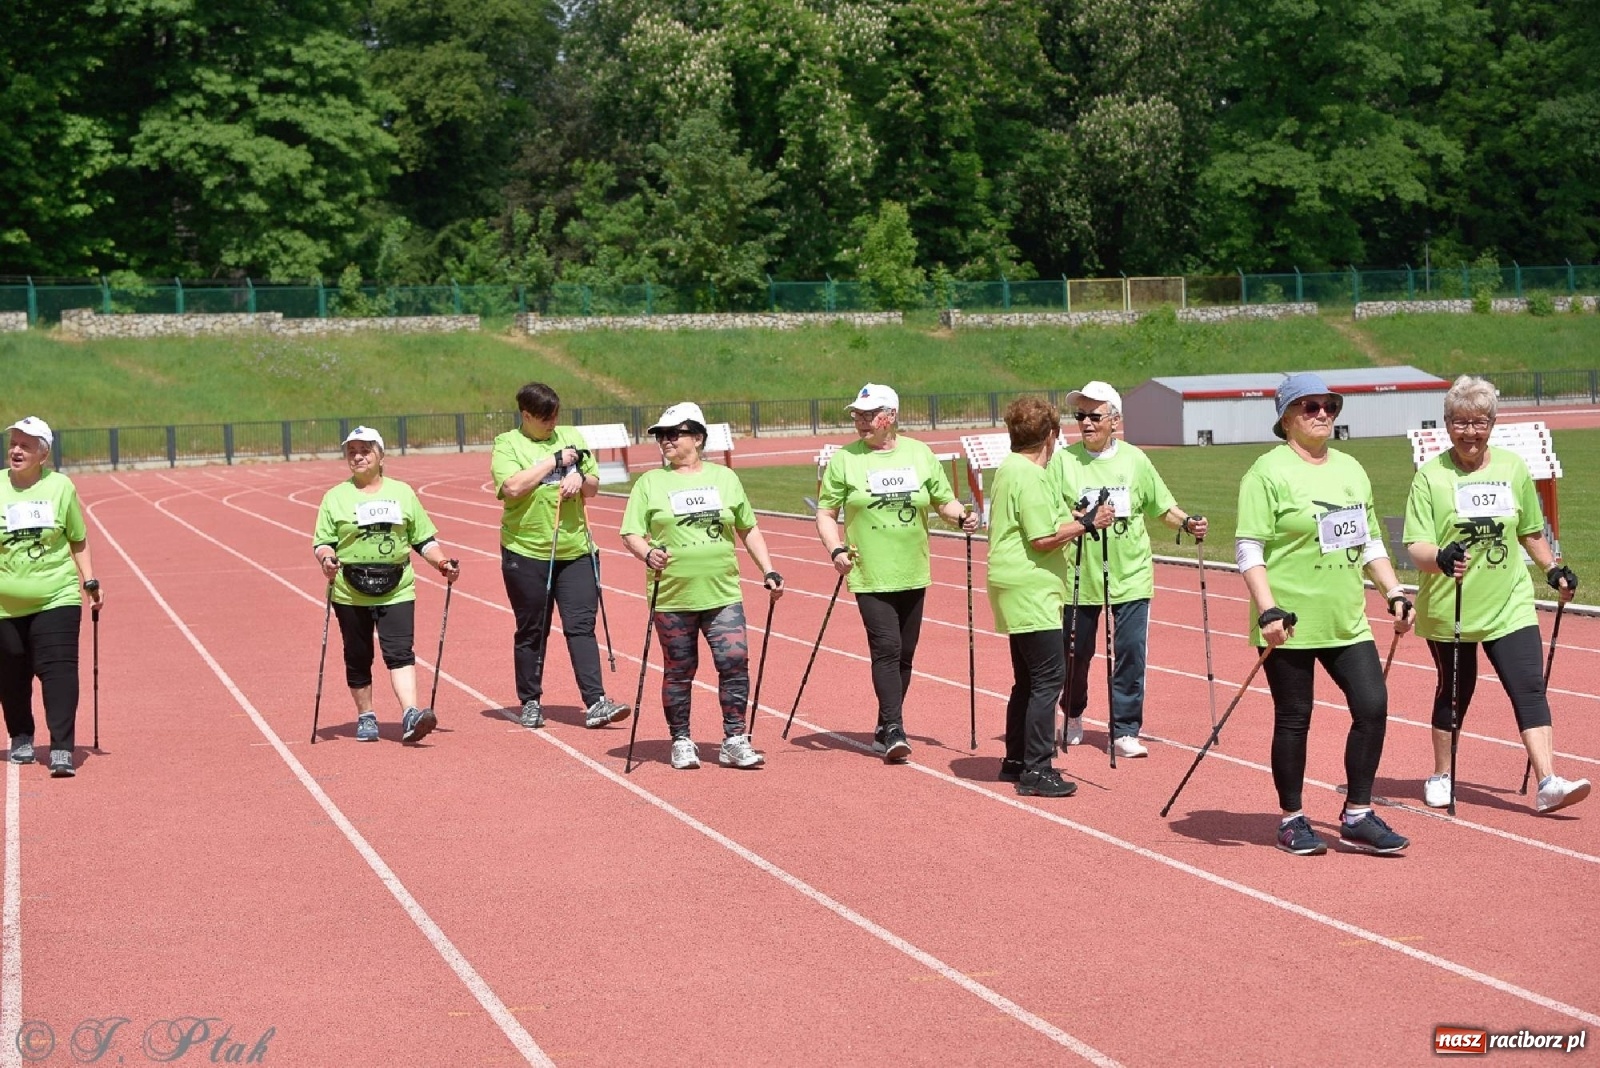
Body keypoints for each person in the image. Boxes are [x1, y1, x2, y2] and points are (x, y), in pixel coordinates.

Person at [1236, 373, 1414, 856]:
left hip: (1346, 618)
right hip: (1289, 621)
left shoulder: (1351, 468)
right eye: (1309, 406)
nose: (1321, 414)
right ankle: (1292, 819)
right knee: (1295, 717)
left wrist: (1394, 591)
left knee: (1372, 706)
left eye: (1329, 406)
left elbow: (1369, 540)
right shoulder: (1266, 473)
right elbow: (1249, 547)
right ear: (1286, 418)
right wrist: (1267, 608)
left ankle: (1357, 814)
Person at [1403, 375, 1588, 815]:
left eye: (1480, 422)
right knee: (1455, 691)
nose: (1470, 432)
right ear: (1447, 424)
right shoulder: (1430, 478)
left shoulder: (1512, 468)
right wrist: (1440, 557)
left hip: (1509, 603)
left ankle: (1548, 781)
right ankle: (1442, 774)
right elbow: (1415, 546)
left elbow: (1530, 531)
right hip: (1452, 605)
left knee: (1529, 686)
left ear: (1492, 424)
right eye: (1461, 422)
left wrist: (1552, 568)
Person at [816, 383, 980, 763]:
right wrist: (836, 548)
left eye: (869, 415)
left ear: (890, 416)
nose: (861, 421)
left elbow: (943, 500)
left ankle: (883, 724)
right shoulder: (845, 460)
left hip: (913, 570)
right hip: (870, 572)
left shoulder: (919, 454)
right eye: (857, 415)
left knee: (905, 654)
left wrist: (962, 517)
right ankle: (894, 728)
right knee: (886, 648)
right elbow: (825, 512)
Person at [620, 402, 783, 770]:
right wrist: (648, 554)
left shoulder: (725, 479)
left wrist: (768, 569)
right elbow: (630, 533)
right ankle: (681, 739)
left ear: (697, 437)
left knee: (734, 662)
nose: (665, 441)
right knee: (679, 669)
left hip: (722, 593)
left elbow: (747, 527)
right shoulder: (650, 483)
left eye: (673, 434)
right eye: (660, 436)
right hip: (672, 596)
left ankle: (735, 739)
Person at [1049, 380, 1207, 757]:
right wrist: (1076, 517)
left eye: (1094, 416)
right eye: (1080, 416)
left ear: (1115, 420)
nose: (1086, 423)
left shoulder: (1135, 460)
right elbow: (1051, 513)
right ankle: (1073, 712)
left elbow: (1160, 506)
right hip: (1079, 576)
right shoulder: (1062, 462)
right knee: (1075, 654)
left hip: (1131, 574)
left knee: (1131, 652)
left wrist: (1187, 523)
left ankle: (1124, 729)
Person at [985, 396, 1110, 798]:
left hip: (1013, 582)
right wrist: (1088, 523)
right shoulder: (1033, 476)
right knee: (1048, 678)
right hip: (1031, 586)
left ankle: (1016, 758)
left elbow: (1035, 520)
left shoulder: (1010, 468)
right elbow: (1042, 538)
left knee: (1027, 679)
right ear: (1051, 436)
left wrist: (1073, 518)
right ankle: (1037, 768)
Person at [491, 382, 631, 730]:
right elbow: (512, 487)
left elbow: (594, 487)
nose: (552, 424)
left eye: (555, 416)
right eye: (545, 419)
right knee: (532, 629)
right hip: (526, 551)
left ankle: (596, 701)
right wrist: (554, 461)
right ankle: (530, 701)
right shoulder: (507, 443)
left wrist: (579, 477)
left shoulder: (571, 436)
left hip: (577, 550)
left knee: (581, 626)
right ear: (526, 415)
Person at [313, 426, 460, 744]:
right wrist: (327, 559)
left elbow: (423, 540)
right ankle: (366, 715)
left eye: (365, 450)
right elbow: (323, 542)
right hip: (350, 590)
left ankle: (410, 714)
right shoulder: (335, 497)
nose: (358, 456)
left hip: (397, 587)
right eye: (352, 451)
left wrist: (442, 563)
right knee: (357, 654)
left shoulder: (403, 493)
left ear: (381, 456)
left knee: (400, 652)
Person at [0, 417, 101, 778]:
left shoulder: (60, 487)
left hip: (56, 595)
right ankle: (21, 735)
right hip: (4, 604)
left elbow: (77, 537)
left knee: (58, 669)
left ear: (43, 454)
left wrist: (89, 581)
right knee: (11, 671)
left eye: (25, 445)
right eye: (13, 443)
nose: (16, 450)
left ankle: (61, 746)